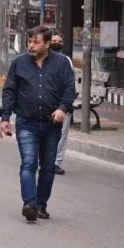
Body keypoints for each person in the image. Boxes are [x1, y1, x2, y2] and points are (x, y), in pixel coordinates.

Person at [0, 26, 75, 223]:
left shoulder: (61, 63)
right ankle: (29, 204)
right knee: (29, 162)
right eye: (30, 41)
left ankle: (41, 205)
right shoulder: (19, 63)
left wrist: (62, 108)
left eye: (36, 42)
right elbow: (9, 90)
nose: (31, 45)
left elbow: (69, 88)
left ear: (48, 44)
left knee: (48, 166)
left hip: (52, 124)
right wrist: (5, 118)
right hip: (26, 123)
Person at [49, 34, 72, 175]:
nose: (57, 43)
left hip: (61, 103)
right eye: (53, 41)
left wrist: (66, 104)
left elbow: (69, 84)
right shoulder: (41, 58)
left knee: (61, 134)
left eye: (59, 41)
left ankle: (56, 162)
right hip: (46, 103)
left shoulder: (65, 60)